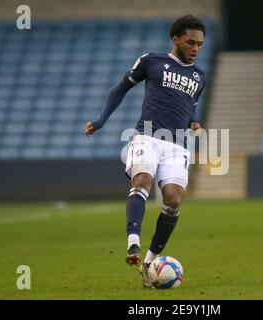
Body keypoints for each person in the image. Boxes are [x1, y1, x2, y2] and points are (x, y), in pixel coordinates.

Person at [83, 15, 207, 287]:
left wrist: (193, 121)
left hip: (177, 145)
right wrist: (102, 120)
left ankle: (150, 264)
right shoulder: (151, 61)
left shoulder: (199, 76)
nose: (196, 48)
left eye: (200, 44)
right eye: (190, 42)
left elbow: (190, 105)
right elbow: (120, 88)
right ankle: (133, 244)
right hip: (147, 137)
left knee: (173, 201)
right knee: (142, 180)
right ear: (175, 39)